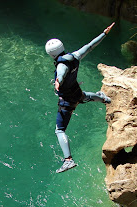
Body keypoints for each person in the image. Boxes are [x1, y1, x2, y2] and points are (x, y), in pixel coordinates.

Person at [45, 22, 115, 173]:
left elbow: (62, 73)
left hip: (67, 100)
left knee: (59, 130)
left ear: (51, 54)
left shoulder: (61, 65)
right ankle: (104, 99)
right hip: (76, 91)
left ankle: (68, 160)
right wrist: (104, 33)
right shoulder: (75, 56)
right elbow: (90, 46)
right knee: (83, 97)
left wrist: (58, 81)